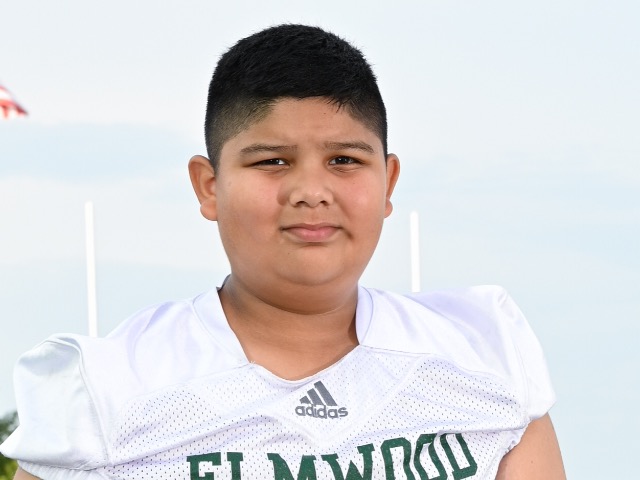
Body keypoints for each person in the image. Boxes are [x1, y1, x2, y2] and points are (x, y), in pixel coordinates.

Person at [2, 24, 564, 479]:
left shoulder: (482, 357)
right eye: (272, 161)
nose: (311, 191)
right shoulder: (111, 390)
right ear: (209, 186)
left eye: (344, 160)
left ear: (388, 182)